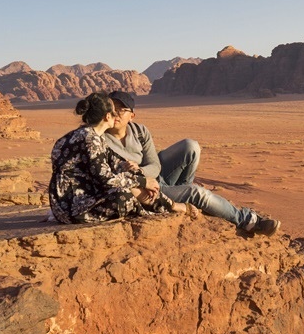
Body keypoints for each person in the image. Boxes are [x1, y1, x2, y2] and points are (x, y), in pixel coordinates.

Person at [104, 91, 280, 236]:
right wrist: (140, 178)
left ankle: (184, 194)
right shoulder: (100, 138)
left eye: (121, 110)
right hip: (146, 189)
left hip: (154, 176)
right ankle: (247, 220)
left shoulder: (140, 131)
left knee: (191, 146)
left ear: (132, 115)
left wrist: (141, 171)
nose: (115, 113)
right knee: (197, 192)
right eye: (112, 108)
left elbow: (155, 165)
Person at [48, 91, 190, 224]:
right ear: (107, 116)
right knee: (124, 195)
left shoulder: (84, 136)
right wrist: (142, 182)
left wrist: (139, 176)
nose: (116, 115)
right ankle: (164, 210)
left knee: (127, 184)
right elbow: (107, 180)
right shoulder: (90, 140)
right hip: (71, 207)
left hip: (76, 198)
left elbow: (115, 165)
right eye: (113, 112)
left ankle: (170, 206)